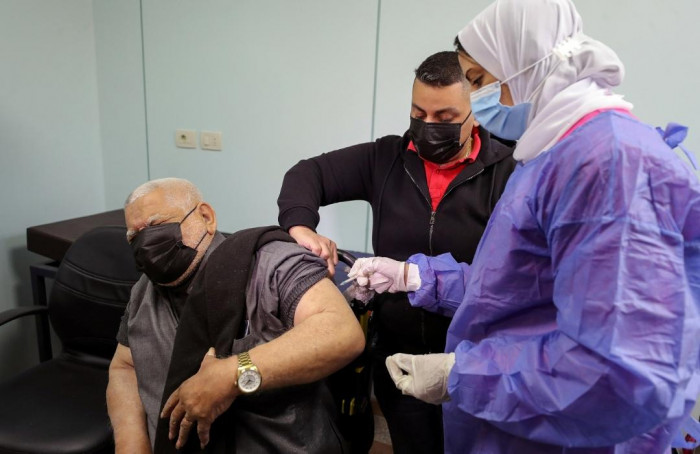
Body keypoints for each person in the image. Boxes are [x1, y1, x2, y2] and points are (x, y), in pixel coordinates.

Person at [347, 0, 700, 452]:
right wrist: (414, 276)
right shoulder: (553, 154)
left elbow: (617, 371)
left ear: (527, 65)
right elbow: (520, 287)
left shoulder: (608, 164)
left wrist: (463, 375)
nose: (479, 101)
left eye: (478, 80)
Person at [277, 51, 516, 452]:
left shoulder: (509, 172)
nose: (428, 126)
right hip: (398, 360)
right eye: (419, 114)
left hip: (475, 363)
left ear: (476, 113)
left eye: (444, 117)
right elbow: (308, 173)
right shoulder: (385, 158)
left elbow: (508, 282)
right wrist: (301, 227)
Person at [106, 177, 365, 453]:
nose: (145, 243)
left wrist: (232, 374)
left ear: (206, 217)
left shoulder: (269, 262)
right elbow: (125, 367)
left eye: (156, 225)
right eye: (134, 237)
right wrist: (131, 444)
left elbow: (340, 330)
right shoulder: (144, 291)